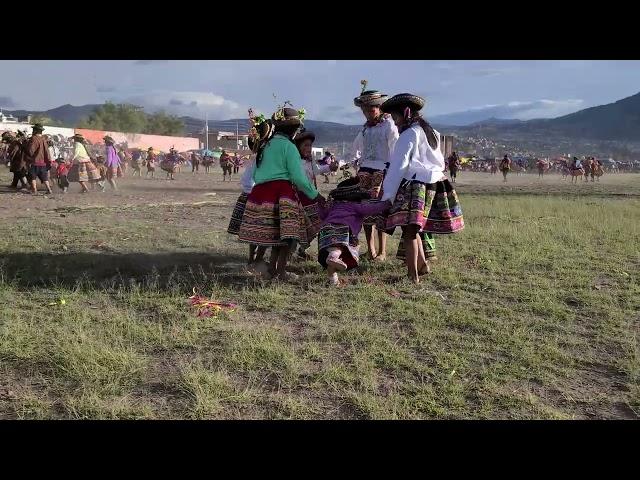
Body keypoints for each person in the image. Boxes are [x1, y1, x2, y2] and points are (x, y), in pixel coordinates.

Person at [379, 93, 465, 283]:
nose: (394, 123)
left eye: (395, 118)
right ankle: (423, 264)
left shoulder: (409, 134)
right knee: (415, 228)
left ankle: (412, 275)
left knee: (409, 231)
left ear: (406, 113)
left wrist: (388, 195)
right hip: (434, 183)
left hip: (416, 185)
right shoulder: (431, 131)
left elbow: (398, 166)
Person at [237, 105, 322, 281]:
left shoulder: (264, 145)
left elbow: (256, 173)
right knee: (287, 238)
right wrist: (315, 195)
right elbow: (298, 177)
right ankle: (280, 272)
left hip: (260, 193)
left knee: (275, 237)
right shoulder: (289, 147)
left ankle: (270, 271)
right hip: (282, 194)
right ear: (293, 129)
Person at [351, 81, 399, 262]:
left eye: (370, 110)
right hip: (365, 172)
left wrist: (392, 170)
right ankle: (370, 249)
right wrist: (355, 161)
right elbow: (356, 148)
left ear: (379, 108)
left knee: (379, 211)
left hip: (381, 171)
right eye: (364, 110)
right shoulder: (365, 129)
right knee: (365, 211)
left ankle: (382, 251)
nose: (367, 113)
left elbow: (394, 149)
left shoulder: (389, 126)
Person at [317, 177, 390, 286]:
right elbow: (371, 209)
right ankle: (333, 257)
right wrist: (387, 203)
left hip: (325, 230)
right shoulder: (355, 206)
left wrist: (322, 205)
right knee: (338, 249)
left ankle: (334, 281)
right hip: (342, 230)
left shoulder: (334, 205)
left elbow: (322, 215)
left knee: (333, 255)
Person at [292, 129, 339, 260]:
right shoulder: (295, 161)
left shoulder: (309, 160)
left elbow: (316, 171)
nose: (308, 148)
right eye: (305, 145)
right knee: (301, 226)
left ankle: (301, 250)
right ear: (298, 147)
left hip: (310, 197)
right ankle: (294, 252)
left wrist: (330, 167)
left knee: (315, 225)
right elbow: (299, 182)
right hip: (301, 198)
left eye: (310, 145)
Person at [24, 123, 53, 195]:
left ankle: (34, 190)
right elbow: (47, 151)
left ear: (35, 130)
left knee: (33, 177)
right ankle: (49, 189)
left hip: (35, 161)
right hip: (43, 162)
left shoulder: (34, 139)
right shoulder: (43, 139)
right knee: (44, 178)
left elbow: (31, 150)